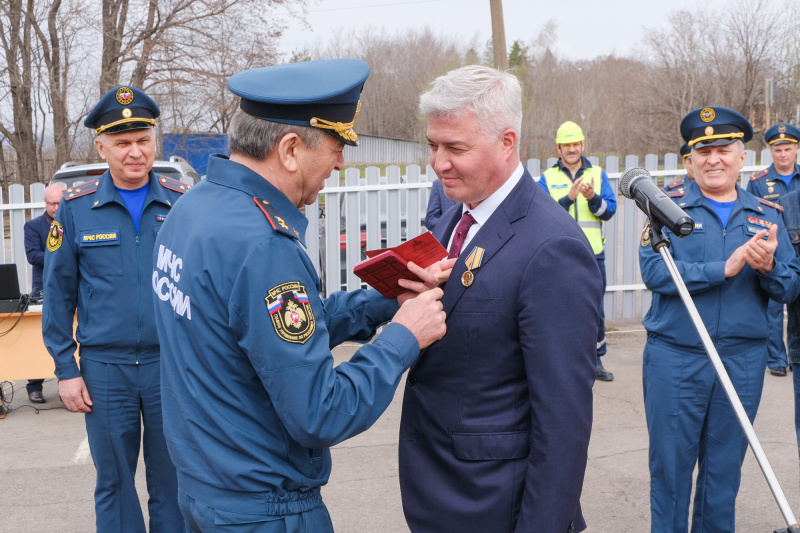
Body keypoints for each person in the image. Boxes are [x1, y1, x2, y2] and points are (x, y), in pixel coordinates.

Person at [152, 59, 449, 532]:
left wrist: (386, 302)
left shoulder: (194, 208)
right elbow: (320, 412)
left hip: (203, 490)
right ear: (290, 149)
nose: (340, 162)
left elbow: (264, 334)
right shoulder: (263, 244)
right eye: (335, 146)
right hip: (263, 509)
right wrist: (402, 338)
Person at [398, 65, 602, 533]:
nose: (438, 162)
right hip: (441, 494)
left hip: (496, 506)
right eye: (433, 145)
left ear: (507, 142)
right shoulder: (455, 216)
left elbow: (563, 424)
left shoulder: (554, 249)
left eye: (455, 148)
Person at [639, 106, 800, 533]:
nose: (714, 159)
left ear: (741, 157)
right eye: (703, 151)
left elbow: (789, 288)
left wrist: (768, 269)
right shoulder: (667, 210)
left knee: (723, 477)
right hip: (676, 359)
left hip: (742, 361)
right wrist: (721, 270)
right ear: (689, 161)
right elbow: (654, 272)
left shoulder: (768, 215)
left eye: (724, 149)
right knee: (671, 475)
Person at [42, 85, 188, 532]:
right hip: (105, 370)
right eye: (122, 143)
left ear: (154, 141)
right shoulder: (76, 208)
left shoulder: (181, 202)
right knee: (115, 483)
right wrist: (66, 369)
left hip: (171, 367)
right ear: (101, 146)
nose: (134, 152)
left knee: (176, 482)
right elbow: (58, 294)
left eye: (143, 139)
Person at [537, 120, 617, 381]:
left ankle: (596, 361)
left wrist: (593, 197)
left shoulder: (598, 174)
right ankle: (564, 361)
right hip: (559, 255)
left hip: (592, 254)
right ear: (558, 149)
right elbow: (541, 216)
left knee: (595, 308)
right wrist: (568, 198)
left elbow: (609, 212)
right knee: (559, 307)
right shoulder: (547, 178)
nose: (572, 149)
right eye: (566, 145)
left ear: (583, 145)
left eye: (576, 144)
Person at [746, 122, 800, 377]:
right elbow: (750, 216)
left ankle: (795, 354)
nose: (783, 154)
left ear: (796, 148)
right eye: (778, 149)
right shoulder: (758, 182)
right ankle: (777, 358)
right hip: (774, 249)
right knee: (774, 307)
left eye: (788, 148)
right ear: (771, 150)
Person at [23, 182, 65, 403]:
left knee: (68, 335)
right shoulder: (33, 226)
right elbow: (33, 256)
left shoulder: (73, 222)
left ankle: (66, 383)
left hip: (69, 285)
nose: (55, 208)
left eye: (59, 203)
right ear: (45, 203)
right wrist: (61, 256)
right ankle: (34, 387)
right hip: (43, 287)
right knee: (37, 338)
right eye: (51, 203)